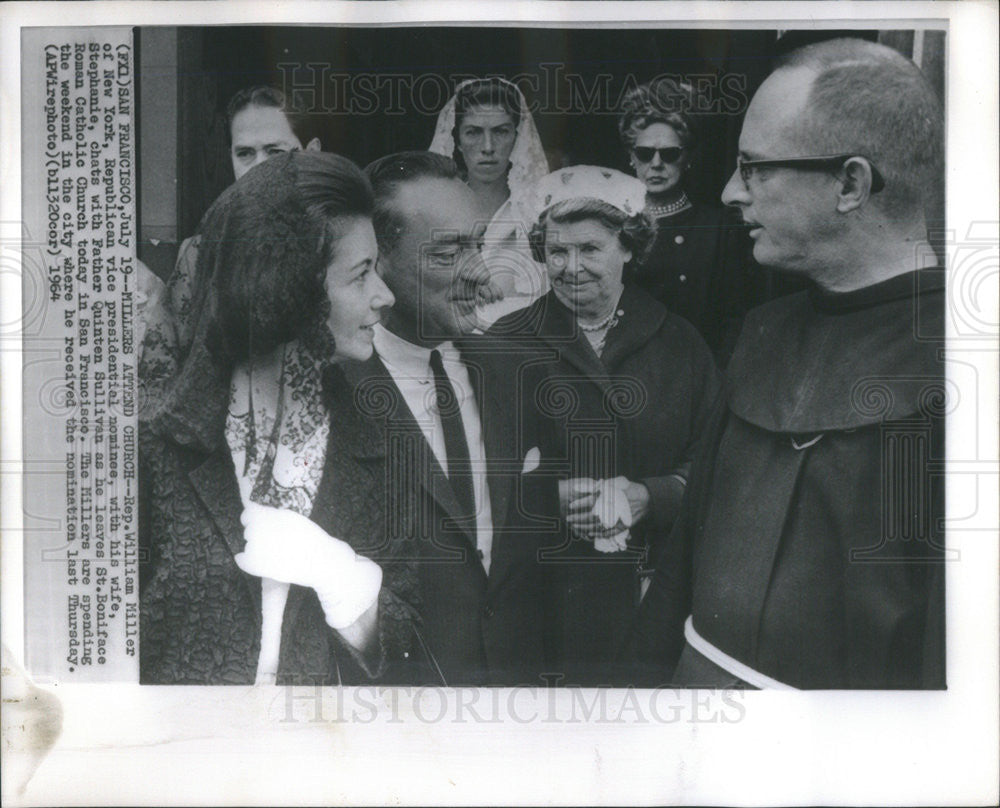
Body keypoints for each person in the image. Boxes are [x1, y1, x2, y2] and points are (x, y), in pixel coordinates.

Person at [631, 38, 946, 689]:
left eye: (753, 168)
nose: (727, 193)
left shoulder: (963, 368)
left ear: (851, 183)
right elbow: (679, 577)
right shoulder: (761, 332)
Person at [139, 151, 416, 685]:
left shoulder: (374, 440)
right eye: (360, 276)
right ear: (291, 287)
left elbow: (408, 652)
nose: (385, 296)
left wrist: (341, 576)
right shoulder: (154, 445)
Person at [321, 150, 558, 686]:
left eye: (478, 244)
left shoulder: (518, 372)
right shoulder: (329, 393)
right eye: (450, 252)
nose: (481, 274)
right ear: (378, 261)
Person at [490, 166, 720, 685]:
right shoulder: (506, 344)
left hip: (649, 596)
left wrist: (654, 495)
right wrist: (549, 495)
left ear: (629, 249)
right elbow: (475, 473)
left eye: (590, 249)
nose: (571, 268)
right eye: (556, 251)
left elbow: (717, 465)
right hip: (540, 601)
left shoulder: (679, 345)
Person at [140, 86, 321, 403]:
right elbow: (166, 369)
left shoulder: (340, 243)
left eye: (275, 152)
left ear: (311, 152)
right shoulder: (198, 254)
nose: (259, 167)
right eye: (245, 153)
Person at [618, 79, 760, 364]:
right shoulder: (614, 224)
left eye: (670, 154)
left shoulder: (718, 228)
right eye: (645, 153)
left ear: (688, 158)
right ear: (631, 157)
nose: (656, 164)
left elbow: (734, 319)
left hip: (692, 371)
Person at [429, 77, 550, 325]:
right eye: (473, 132)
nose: (487, 147)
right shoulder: (435, 211)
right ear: (458, 142)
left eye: (500, 132)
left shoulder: (538, 213)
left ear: (517, 138)